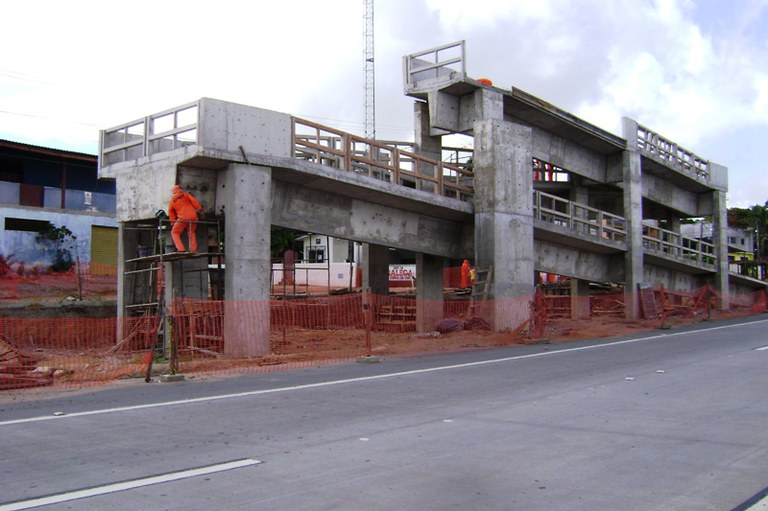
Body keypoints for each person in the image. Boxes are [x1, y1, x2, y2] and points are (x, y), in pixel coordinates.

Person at [168, 185, 203, 253]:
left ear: (173, 192)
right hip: (193, 217)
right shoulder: (186, 195)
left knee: (174, 232)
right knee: (191, 232)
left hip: (183, 218)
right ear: (180, 189)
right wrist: (200, 210)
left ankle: (181, 249)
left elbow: (170, 211)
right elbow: (194, 201)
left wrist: (173, 222)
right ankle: (193, 250)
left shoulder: (172, 200)